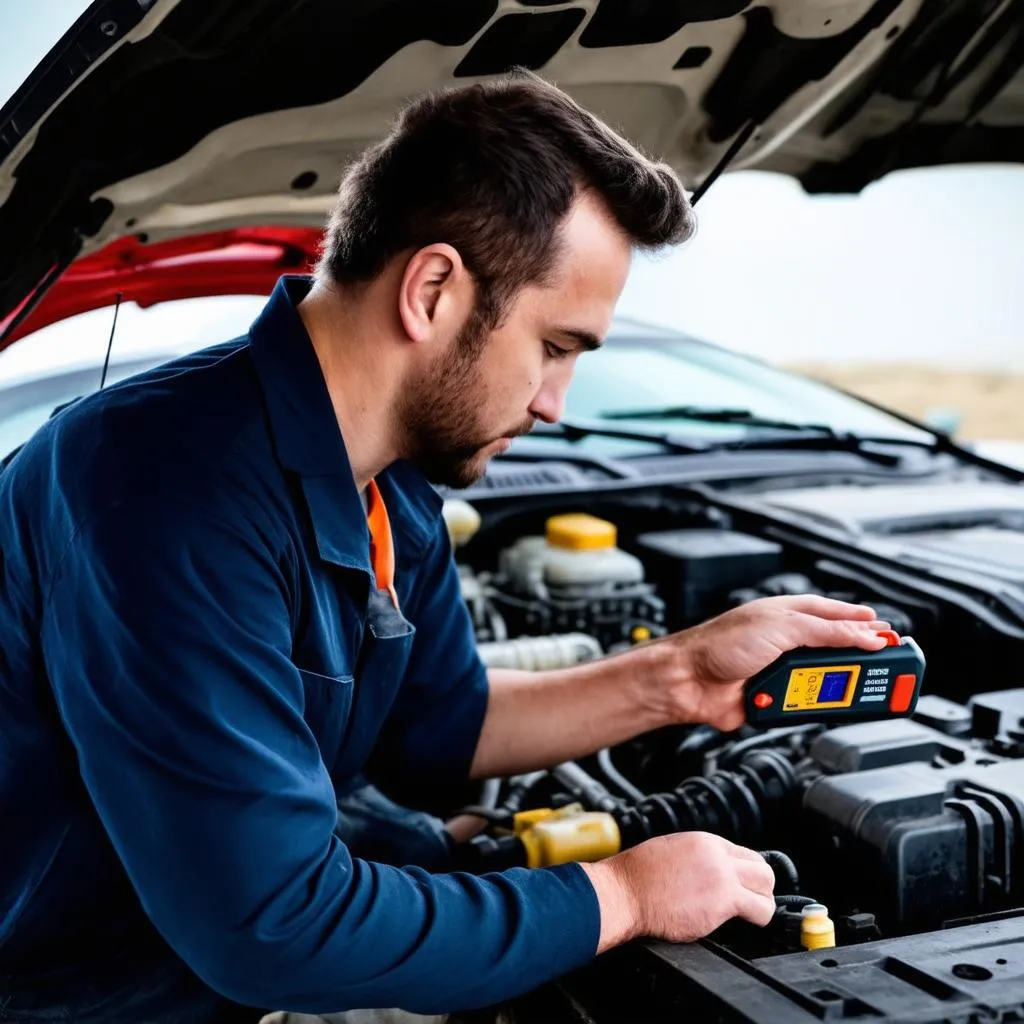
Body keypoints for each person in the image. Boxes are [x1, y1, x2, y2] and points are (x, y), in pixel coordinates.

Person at [0, 71, 893, 1023]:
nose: (555, 404)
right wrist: (625, 895)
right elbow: (275, 927)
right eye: (555, 347)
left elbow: (440, 729)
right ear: (431, 290)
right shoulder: (160, 487)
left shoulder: (388, 484)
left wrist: (679, 674)